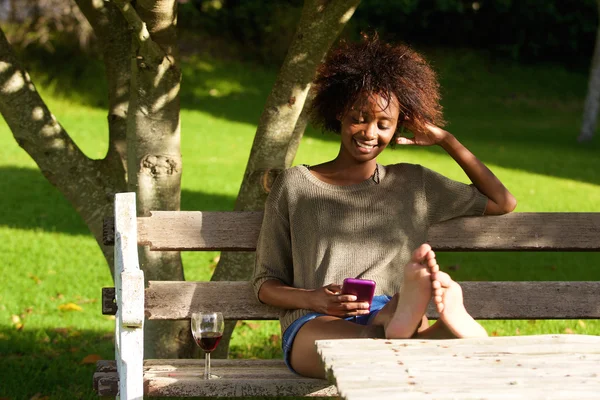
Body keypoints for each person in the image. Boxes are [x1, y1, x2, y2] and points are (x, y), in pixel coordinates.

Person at [251, 34, 517, 379]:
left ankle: (404, 311)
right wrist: (314, 299)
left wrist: (446, 140)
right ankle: (441, 334)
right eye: (359, 118)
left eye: (383, 123)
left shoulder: (413, 183)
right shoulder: (295, 185)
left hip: (387, 309)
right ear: (339, 112)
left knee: (386, 331)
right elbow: (264, 284)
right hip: (315, 319)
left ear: (397, 127)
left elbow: (502, 201)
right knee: (376, 346)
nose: (369, 132)